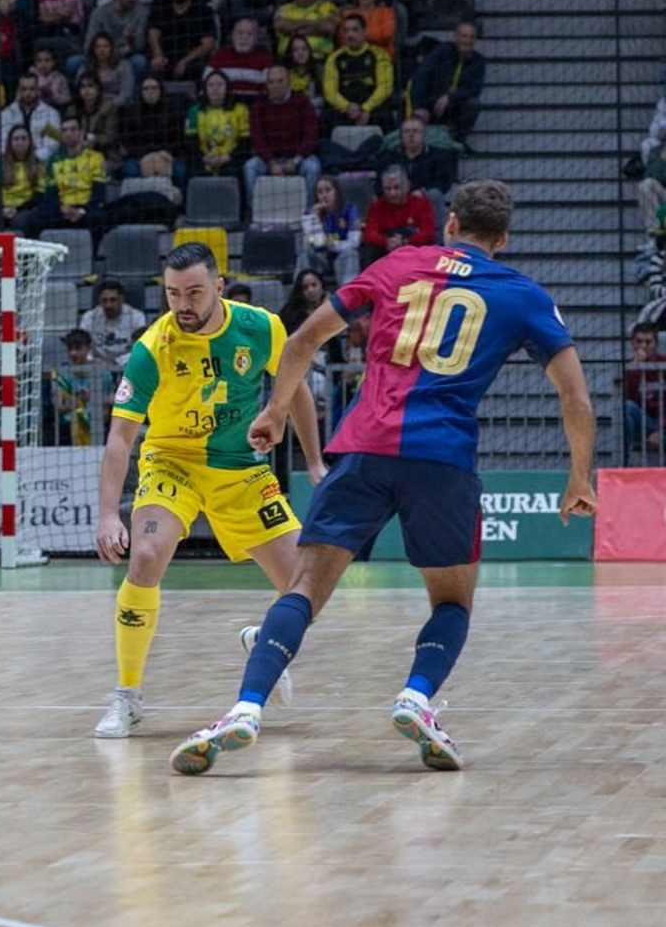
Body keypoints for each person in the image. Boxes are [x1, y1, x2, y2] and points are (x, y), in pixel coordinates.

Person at [170, 180, 595, 775]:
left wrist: (275, 410)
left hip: (364, 447)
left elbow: (303, 339)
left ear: (449, 223)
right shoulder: (523, 295)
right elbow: (575, 397)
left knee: (302, 590)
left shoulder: (398, 263)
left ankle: (245, 708)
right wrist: (579, 478)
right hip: (442, 460)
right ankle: (416, 697)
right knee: (452, 601)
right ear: (501, 240)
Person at [92, 242, 326, 738]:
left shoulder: (259, 328)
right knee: (146, 555)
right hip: (171, 463)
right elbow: (120, 437)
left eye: (194, 292)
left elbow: (296, 391)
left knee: (308, 587)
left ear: (219, 287)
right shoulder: (152, 349)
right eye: (173, 294)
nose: (183, 304)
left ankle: (265, 640)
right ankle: (127, 696)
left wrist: (314, 461)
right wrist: (108, 514)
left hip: (239, 468)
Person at [244, 63, 320, 202]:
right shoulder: (258, 105)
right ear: (266, 84)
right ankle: (254, 211)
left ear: (289, 83)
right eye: (271, 82)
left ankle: (309, 211)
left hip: (298, 157)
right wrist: (271, 163)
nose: (276, 85)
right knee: (250, 167)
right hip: (270, 159)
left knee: (313, 167)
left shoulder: (302, 102)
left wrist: (295, 161)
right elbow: (257, 139)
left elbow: (311, 136)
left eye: (280, 81)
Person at [407, 22, 485, 145]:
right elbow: (420, 77)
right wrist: (419, 106)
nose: (467, 41)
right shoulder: (440, 53)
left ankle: (458, 142)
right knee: (415, 119)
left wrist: (450, 97)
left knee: (474, 104)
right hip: (430, 104)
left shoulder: (478, 61)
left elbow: (475, 89)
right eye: (464, 36)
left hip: (453, 106)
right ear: (455, 37)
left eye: (471, 37)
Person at [303, 174, 362, 280]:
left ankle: (348, 287)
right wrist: (315, 218)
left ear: (336, 191)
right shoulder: (309, 214)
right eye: (320, 192)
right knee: (305, 250)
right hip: (321, 260)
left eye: (328, 190)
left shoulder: (350, 209)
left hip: (342, 257)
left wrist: (335, 245)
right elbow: (316, 242)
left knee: (351, 253)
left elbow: (355, 242)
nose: (324, 195)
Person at [78, 279, 147, 364]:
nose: (108, 305)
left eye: (113, 300)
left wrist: (118, 361)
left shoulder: (137, 317)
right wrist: (94, 361)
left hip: (128, 366)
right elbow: (83, 349)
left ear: (121, 299)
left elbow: (141, 350)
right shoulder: (89, 318)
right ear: (99, 300)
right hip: (98, 366)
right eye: (104, 300)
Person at [624, 323, 664, 454]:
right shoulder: (629, 367)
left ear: (656, 344)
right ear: (632, 344)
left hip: (663, 422)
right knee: (627, 407)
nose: (643, 346)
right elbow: (630, 396)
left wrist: (660, 431)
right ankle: (624, 459)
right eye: (639, 341)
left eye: (648, 342)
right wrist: (635, 366)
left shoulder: (664, 364)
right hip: (644, 421)